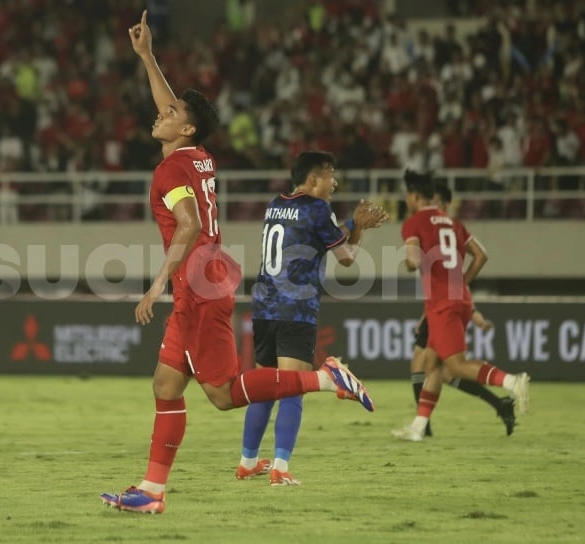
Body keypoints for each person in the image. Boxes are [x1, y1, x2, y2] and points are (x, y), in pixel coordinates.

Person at [100, 12, 374, 514]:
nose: (159, 113)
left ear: (184, 128)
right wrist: (147, 57)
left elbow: (187, 225)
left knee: (225, 395)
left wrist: (156, 284)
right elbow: (175, 112)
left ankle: (325, 378)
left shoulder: (170, 171)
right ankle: (152, 493)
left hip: (196, 285)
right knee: (166, 384)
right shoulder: (197, 154)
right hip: (206, 278)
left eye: (170, 112)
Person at [237, 151, 387, 486]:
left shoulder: (275, 204)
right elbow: (345, 255)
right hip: (296, 309)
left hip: (264, 309)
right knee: (293, 389)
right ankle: (280, 468)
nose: (334, 182)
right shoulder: (318, 208)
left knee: (265, 389)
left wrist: (355, 227)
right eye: (331, 174)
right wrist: (356, 225)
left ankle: (247, 462)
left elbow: (333, 246)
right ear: (313, 177)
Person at [393, 170, 529, 442]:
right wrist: (461, 282)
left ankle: (512, 382)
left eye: (407, 196)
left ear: (414, 196)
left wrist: (411, 260)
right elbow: (481, 256)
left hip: (442, 305)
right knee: (432, 365)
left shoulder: (413, 223)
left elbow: (412, 261)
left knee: (455, 366)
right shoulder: (453, 223)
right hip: (460, 300)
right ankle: (418, 427)